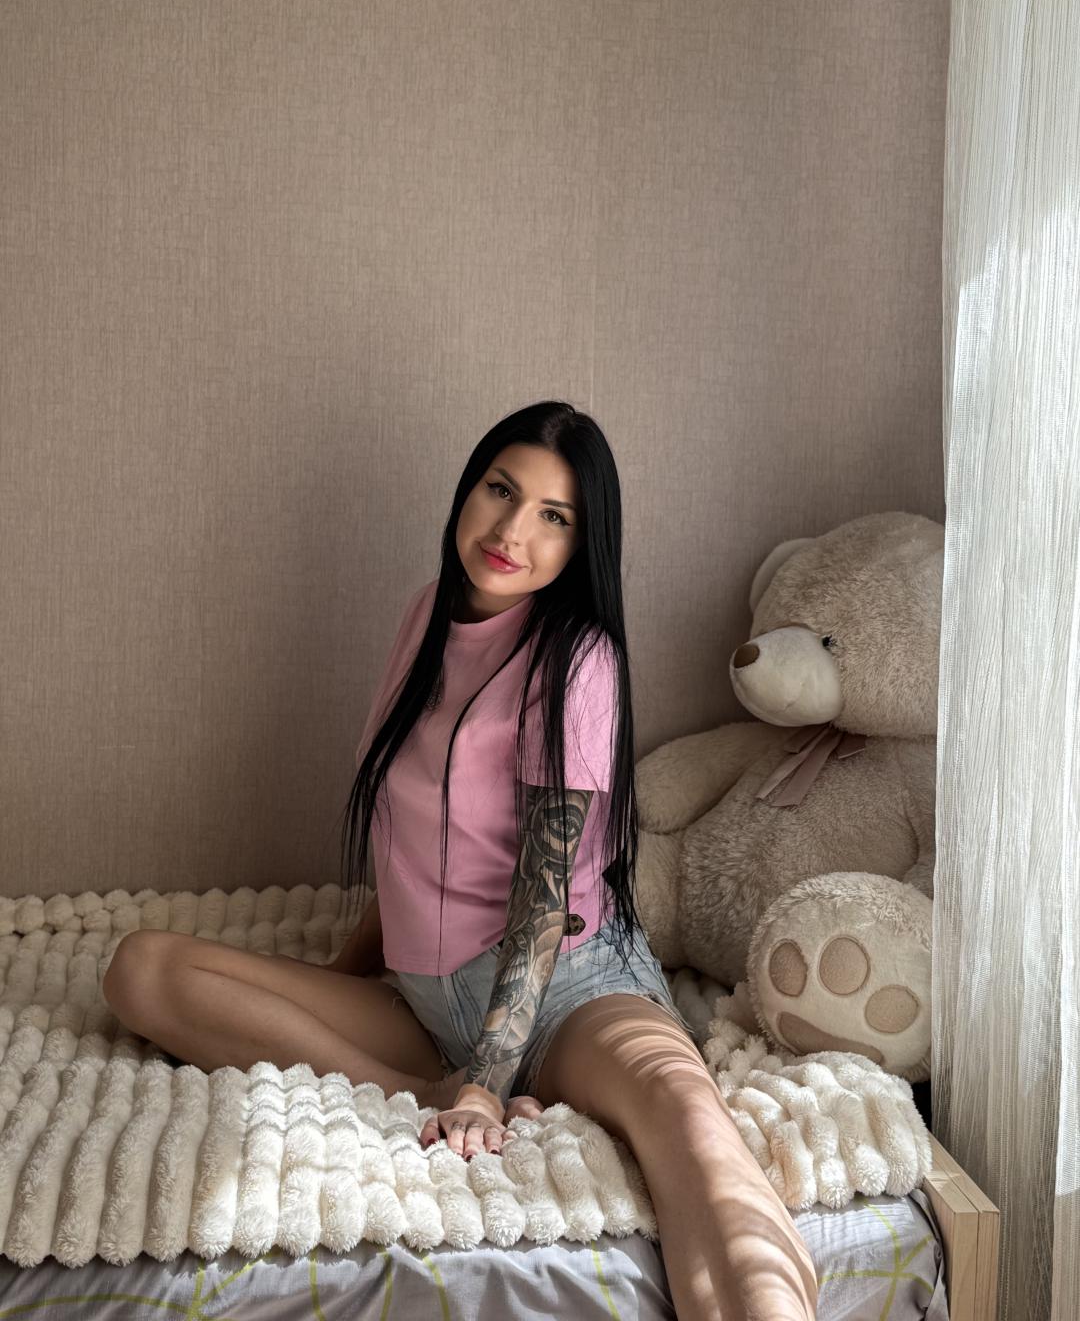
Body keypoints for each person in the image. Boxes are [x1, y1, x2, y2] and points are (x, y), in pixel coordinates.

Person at [102, 400, 817, 1320]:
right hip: (428, 1004)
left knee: (693, 1132)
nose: (513, 531)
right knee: (142, 971)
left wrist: (490, 1079)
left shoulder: (577, 659)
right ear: (468, 490)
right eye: (501, 491)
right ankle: (421, 1091)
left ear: (579, 544)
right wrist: (347, 990)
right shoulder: (424, 620)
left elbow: (542, 899)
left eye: (553, 516)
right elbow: (411, 841)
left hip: (570, 990)